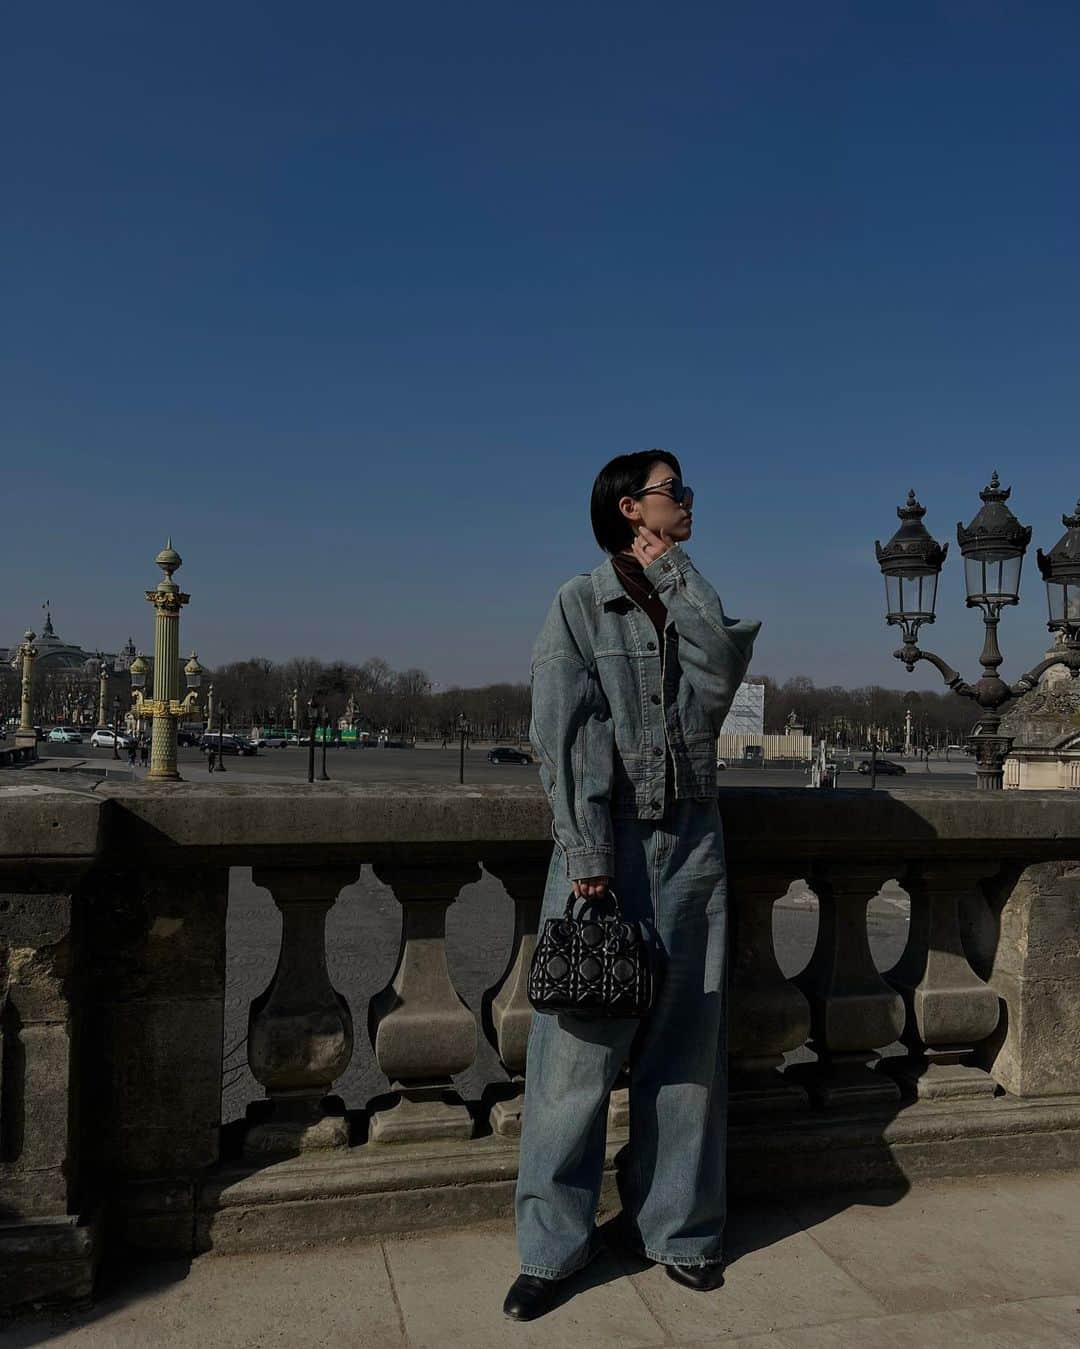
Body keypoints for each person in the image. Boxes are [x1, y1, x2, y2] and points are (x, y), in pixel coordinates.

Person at [505, 450, 760, 1322]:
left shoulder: (688, 593)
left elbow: (722, 671)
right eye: (673, 491)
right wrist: (584, 855)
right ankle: (552, 1244)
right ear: (629, 507)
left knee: (686, 1048)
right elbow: (559, 726)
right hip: (605, 847)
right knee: (574, 1059)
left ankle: (680, 1230)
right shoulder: (579, 603)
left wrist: (680, 575)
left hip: (693, 842)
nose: (688, 500)